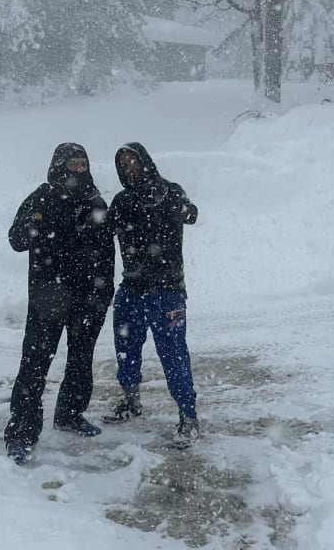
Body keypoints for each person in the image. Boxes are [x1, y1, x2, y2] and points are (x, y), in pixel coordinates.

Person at [4, 143, 115, 464]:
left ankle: (69, 414)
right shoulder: (41, 197)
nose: (78, 169)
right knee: (35, 364)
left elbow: (107, 252)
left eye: (83, 163)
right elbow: (16, 240)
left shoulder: (94, 200)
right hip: (47, 297)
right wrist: (41, 223)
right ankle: (22, 432)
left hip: (87, 298)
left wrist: (104, 292)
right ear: (58, 165)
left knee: (81, 360)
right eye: (72, 163)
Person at [101, 142, 201, 445]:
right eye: (124, 165)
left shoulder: (170, 192)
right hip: (131, 289)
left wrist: (176, 206)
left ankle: (189, 417)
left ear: (146, 161)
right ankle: (132, 402)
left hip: (168, 292)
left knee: (173, 355)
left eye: (134, 161)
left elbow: (191, 215)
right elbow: (102, 230)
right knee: (126, 350)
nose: (130, 168)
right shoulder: (121, 200)